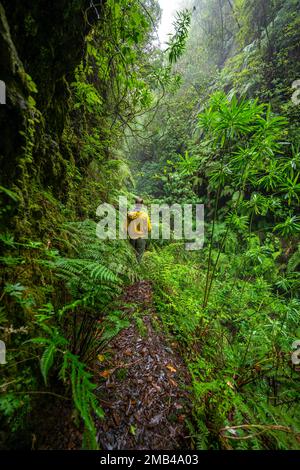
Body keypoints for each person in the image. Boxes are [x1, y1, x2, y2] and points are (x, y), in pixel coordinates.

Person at [126, 197, 151, 263]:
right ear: (142, 205)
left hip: (132, 237)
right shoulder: (145, 215)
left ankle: (131, 266)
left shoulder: (130, 214)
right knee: (139, 254)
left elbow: (125, 226)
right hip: (141, 237)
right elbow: (149, 228)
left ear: (135, 203)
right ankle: (137, 267)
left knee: (132, 252)